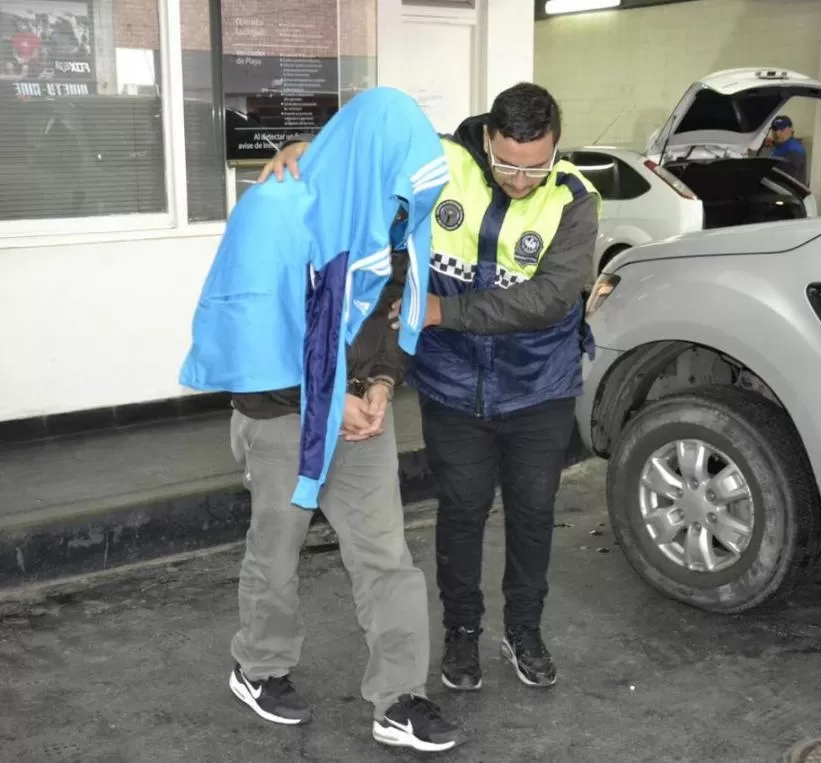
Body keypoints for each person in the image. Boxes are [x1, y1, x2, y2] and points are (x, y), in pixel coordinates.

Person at [261, 83, 600, 694]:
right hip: (451, 387)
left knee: (533, 516)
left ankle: (524, 632)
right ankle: (462, 636)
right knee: (462, 514)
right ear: (487, 137)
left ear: (555, 149)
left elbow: (550, 297)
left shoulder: (574, 197)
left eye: (536, 167)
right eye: (507, 164)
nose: (521, 180)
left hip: (538, 388)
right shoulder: (440, 162)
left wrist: (443, 312)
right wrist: (302, 149)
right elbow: (359, 168)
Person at [179, 87, 460, 753]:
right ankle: (259, 666)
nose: (402, 208)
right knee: (277, 550)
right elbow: (251, 345)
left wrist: (384, 386)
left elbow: (394, 307)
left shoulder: (390, 215)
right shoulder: (277, 207)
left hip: (361, 409)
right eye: (394, 184)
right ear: (367, 157)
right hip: (282, 413)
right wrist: (331, 408)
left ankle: (399, 697)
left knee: (386, 555)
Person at [768, 115, 808, 185]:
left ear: (791, 129)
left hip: (788, 193)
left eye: (782, 129)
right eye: (775, 129)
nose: (778, 133)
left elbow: (788, 179)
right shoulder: (780, 146)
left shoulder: (794, 149)